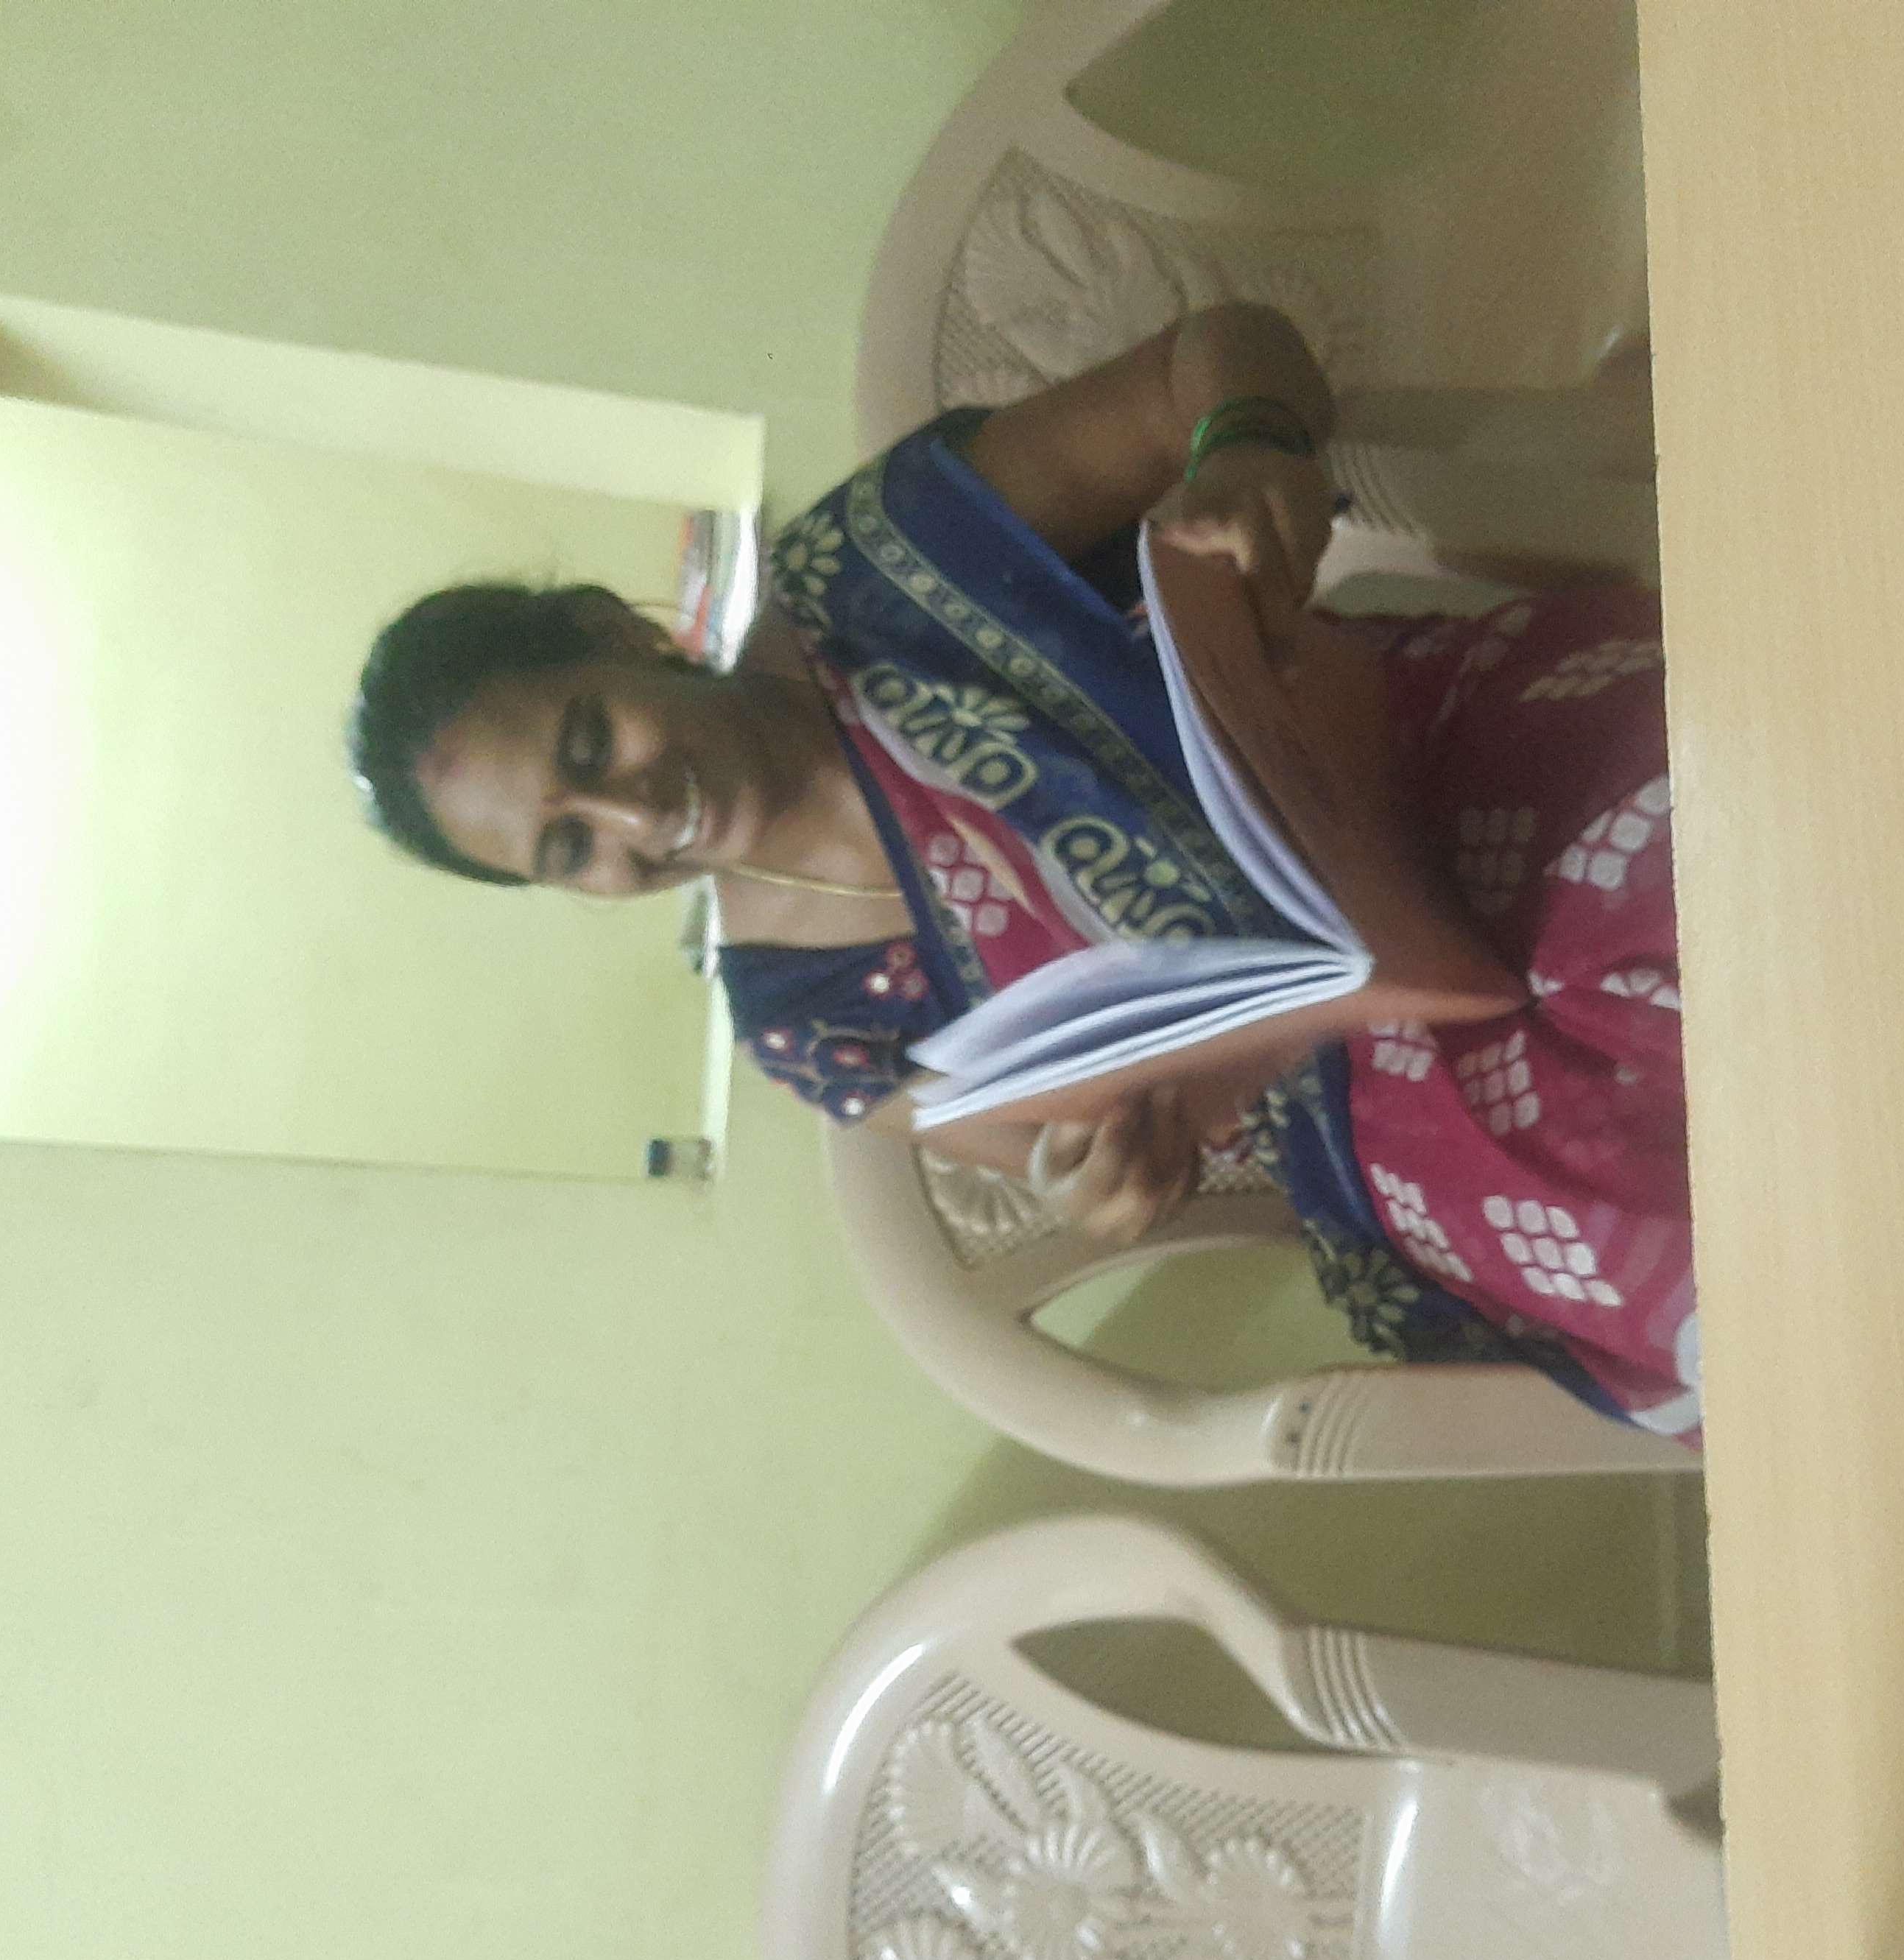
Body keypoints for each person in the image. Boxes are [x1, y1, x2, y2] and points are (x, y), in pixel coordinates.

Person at [350, 305, 1697, 1439]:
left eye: (590, 741)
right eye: (569, 846)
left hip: (1432, 764)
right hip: (1365, 1100)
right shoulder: (801, 1015)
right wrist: (1102, 1179)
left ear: (619, 635)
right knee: (1648, 1213)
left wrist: (1247, 446)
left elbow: (1212, 357)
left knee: (1685, 877)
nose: (631, 814)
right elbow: (1079, 1133)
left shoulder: (874, 572)